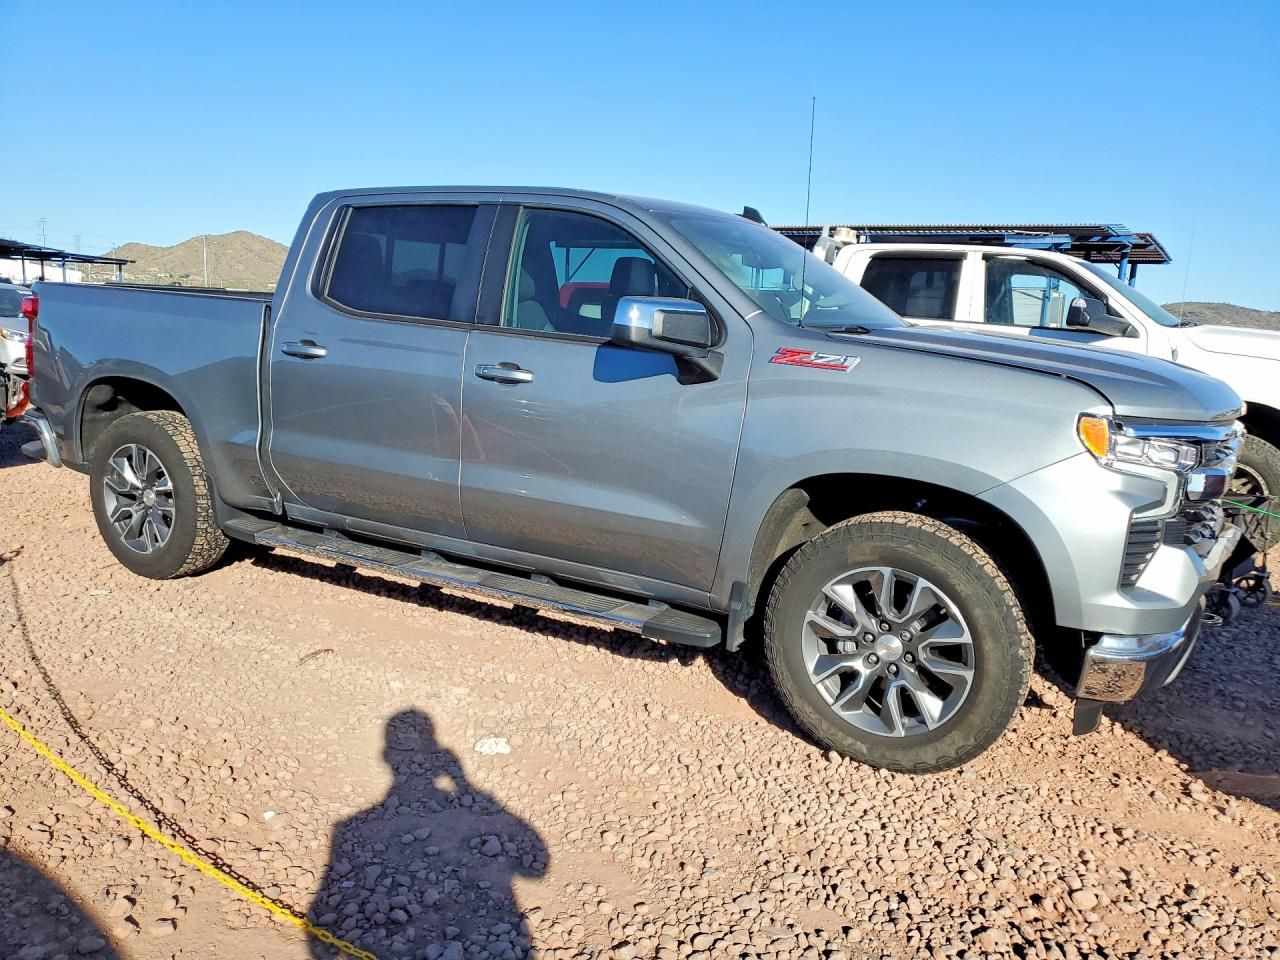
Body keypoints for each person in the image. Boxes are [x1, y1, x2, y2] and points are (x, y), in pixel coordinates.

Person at [308, 709, 547, 959]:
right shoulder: (349, 828)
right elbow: (535, 868)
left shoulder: (349, 828)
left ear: (387, 757)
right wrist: (467, 787)